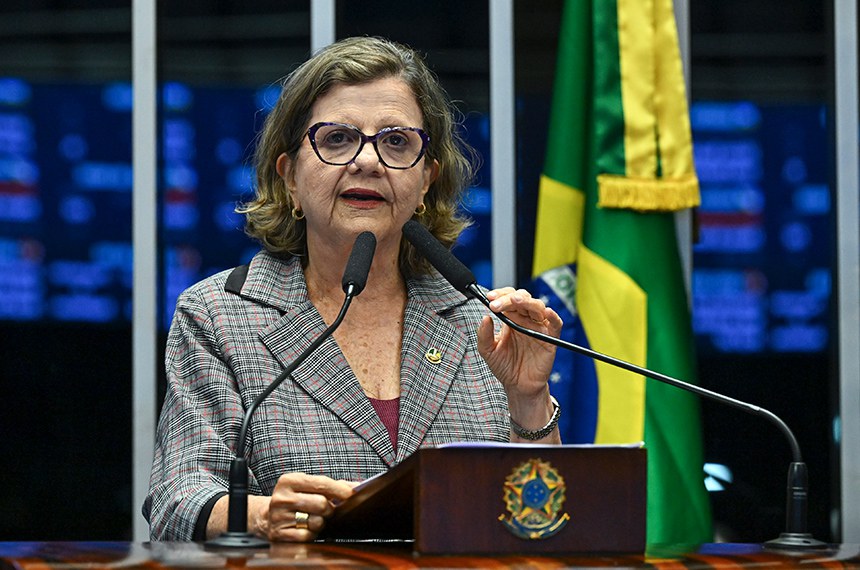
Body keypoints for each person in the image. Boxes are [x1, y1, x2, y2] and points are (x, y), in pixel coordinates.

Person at [144, 36, 563, 543]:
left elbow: (541, 522)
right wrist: (260, 515)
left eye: (396, 142)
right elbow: (177, 499)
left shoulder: (484, 325)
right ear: (290, 176)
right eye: (338, 139)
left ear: (426, 180)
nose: (368, 161)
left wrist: (529, 399)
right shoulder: (219, 316)